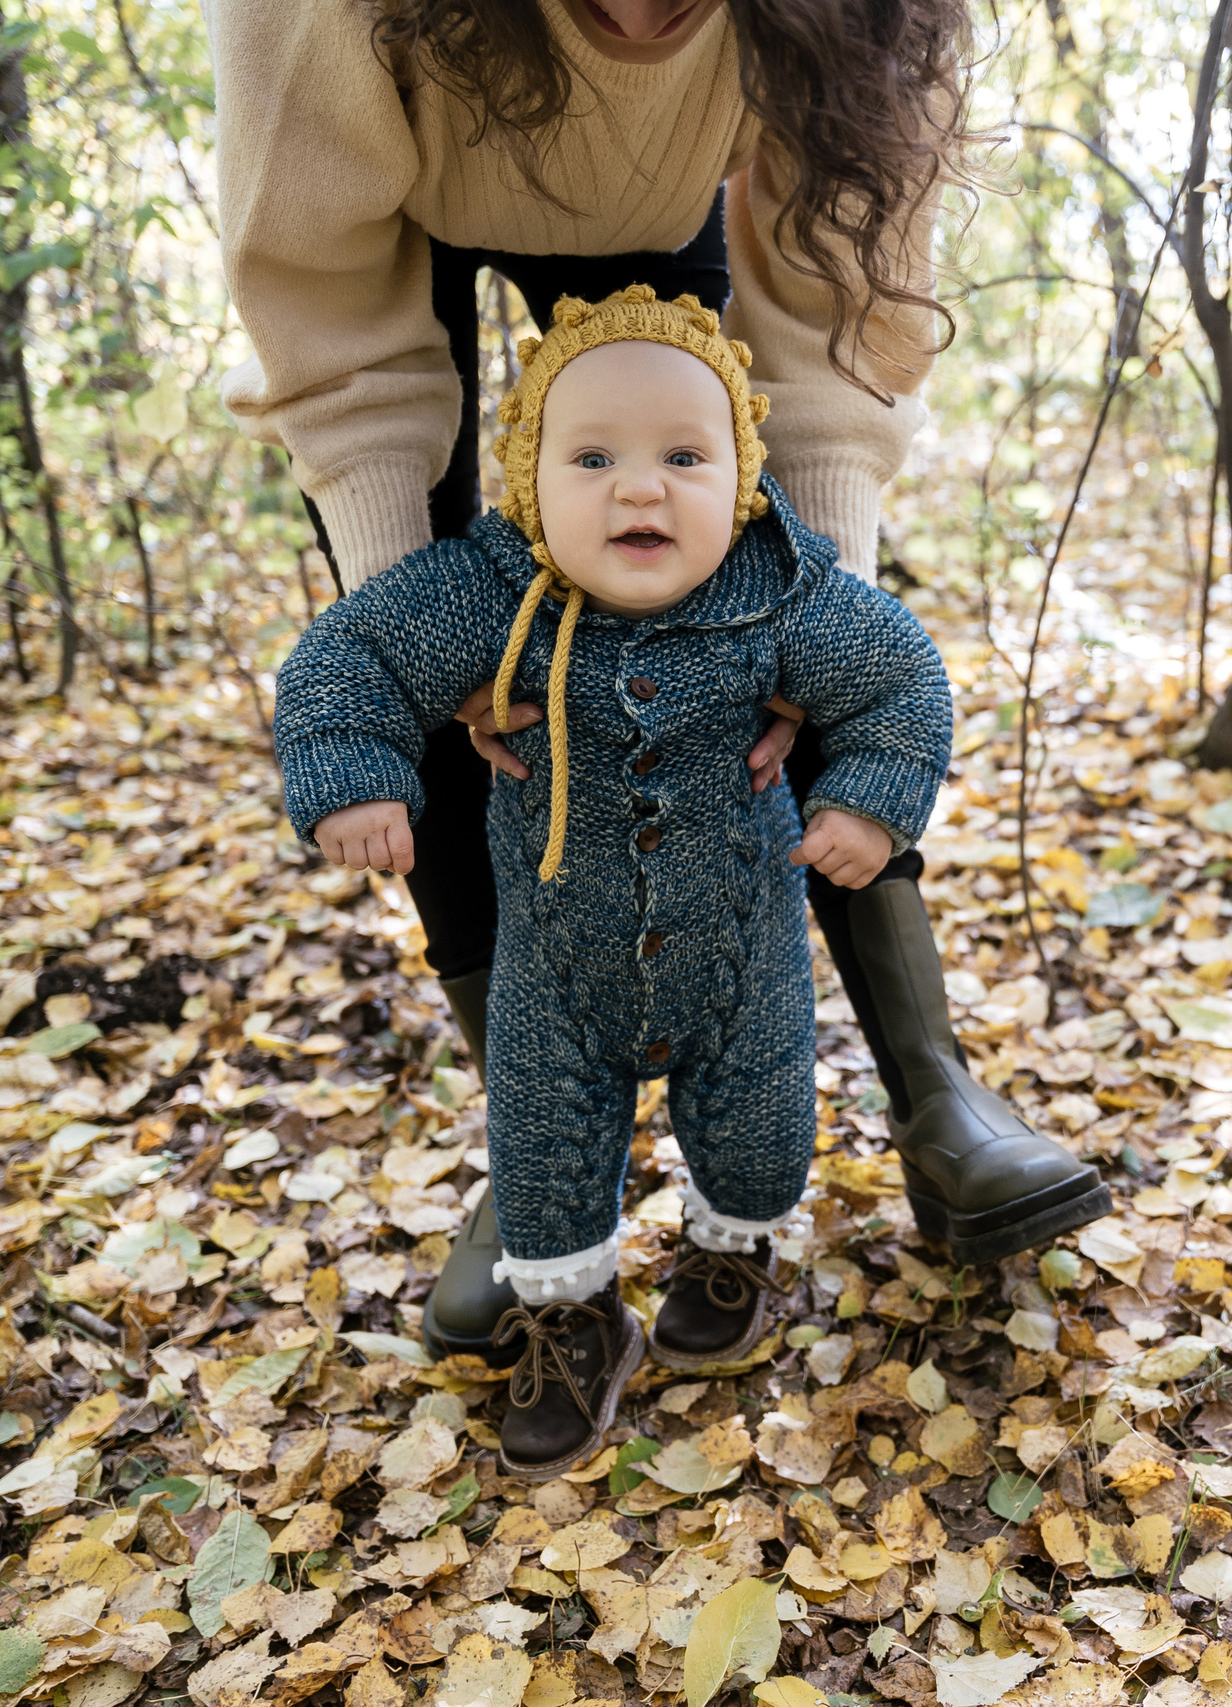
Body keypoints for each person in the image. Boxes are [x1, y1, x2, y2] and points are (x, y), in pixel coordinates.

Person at [207, 0, 1110, 1362]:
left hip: (698, 200)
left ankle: (933, 1087)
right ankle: (532, 1144)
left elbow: (831, 340)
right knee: (461, 647)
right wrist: (430, 631)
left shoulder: (858, 22)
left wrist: (800, 617)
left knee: (763, 608)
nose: (640, 16)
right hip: (398, 218)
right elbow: (332, 327)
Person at [279, 290, 955, 1472]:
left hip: (738, 958)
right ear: (528, 479)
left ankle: (731, 1258)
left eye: (685, 457)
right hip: (553, 968)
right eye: (591, 457)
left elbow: (901, 678)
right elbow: (354, 653)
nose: (639, 489)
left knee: (759, 1137)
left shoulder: (778, 588)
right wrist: (354, 773)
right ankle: (578, 1321)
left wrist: (868, 803)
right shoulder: (490, 593)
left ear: (744, 478)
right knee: (542, 1159)